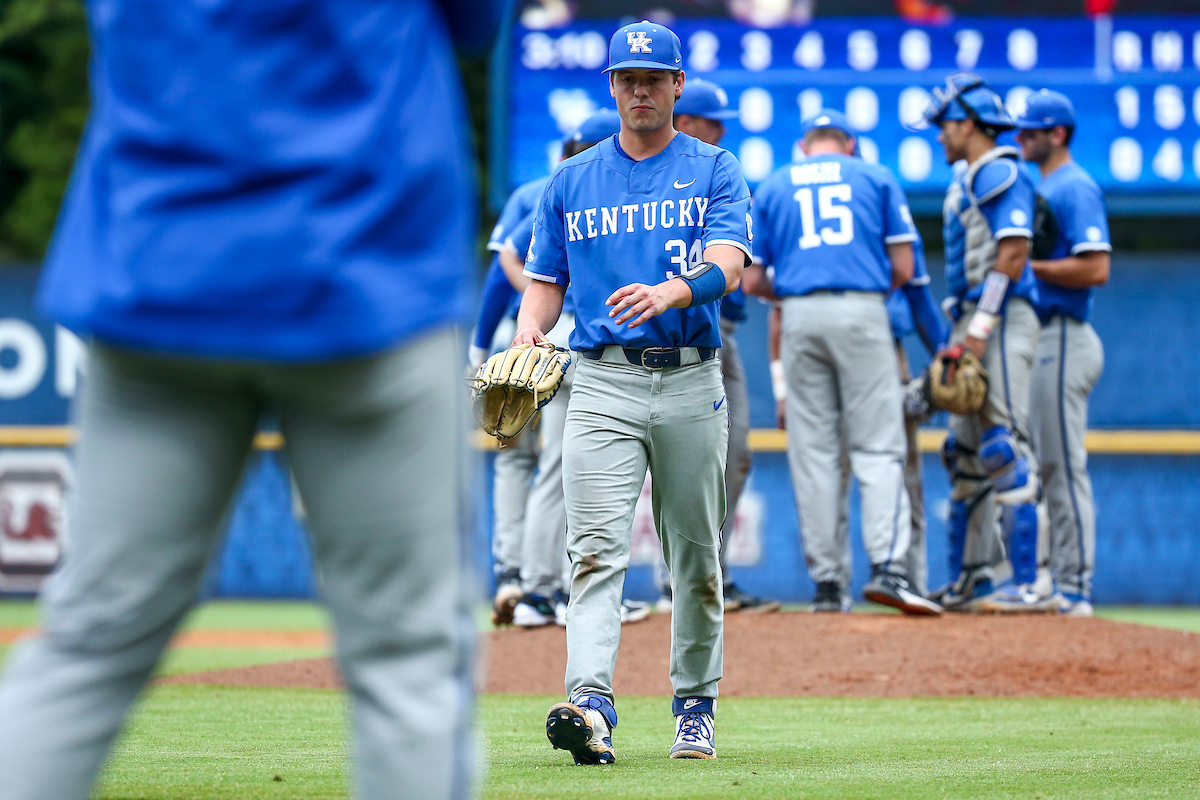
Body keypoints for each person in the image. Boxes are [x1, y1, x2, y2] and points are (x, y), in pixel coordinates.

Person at [0, 3, 503, 799]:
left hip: (159, 275)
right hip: (363, 281)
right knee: (407, 665)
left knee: (88, 648)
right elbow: (474, 23)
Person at [518, 20, 751, 764]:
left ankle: (694, 705)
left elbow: (728, 268)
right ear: (611, 86)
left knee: (694, 558)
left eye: (654, 77)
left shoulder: (716, 167)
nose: (641, 89)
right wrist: (529, 332)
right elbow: (545, 283)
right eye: (628, 77)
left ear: (677, 86)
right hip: (602, 381)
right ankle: (589, 704)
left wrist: (672, 291)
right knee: (592, 552)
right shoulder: (571, 179)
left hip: (688, 378)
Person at [745, 109, 938, 616]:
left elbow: (751, 280)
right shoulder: (875, 176)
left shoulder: (774, 183)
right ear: (850, 144)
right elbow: (903, 266)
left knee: (813, 454)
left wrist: (794, 293)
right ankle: (888, 569)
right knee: (878, 445)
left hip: (799, 315)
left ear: (805, 146)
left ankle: (829, 585)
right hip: (862, 310)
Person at [923, 73, 1051, 613]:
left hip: (999, 318)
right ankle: (971, 579)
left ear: (966, 123)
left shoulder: (1000, 168)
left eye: (942, 125)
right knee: (964, 452)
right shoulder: (971, 174)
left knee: (1003, 446)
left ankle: (1032, 582)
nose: (937, 136)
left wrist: (977, 332)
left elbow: (1014, 253)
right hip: (972, 317)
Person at [654, 77, 780, 615]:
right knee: (669, 463)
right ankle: (676, 584)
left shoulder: (716, 172)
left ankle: (710, 578)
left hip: (717, 332)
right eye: (712, 118)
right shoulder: (654, 180)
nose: (722, 127)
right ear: (684, 119)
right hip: (672, 338)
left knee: (734, 455)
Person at [1015, 89, 1110, 618]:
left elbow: (1096, 268)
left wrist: (1028, 270)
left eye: (1032, 130)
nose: (1022, 137)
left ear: (1059, 133)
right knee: (1043, 464)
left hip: (1065, 334)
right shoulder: (1044, 185)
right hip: (1043, 336)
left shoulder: (1074, 186)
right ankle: (1056, 580)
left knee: (1060, 465)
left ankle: (1076, 586)